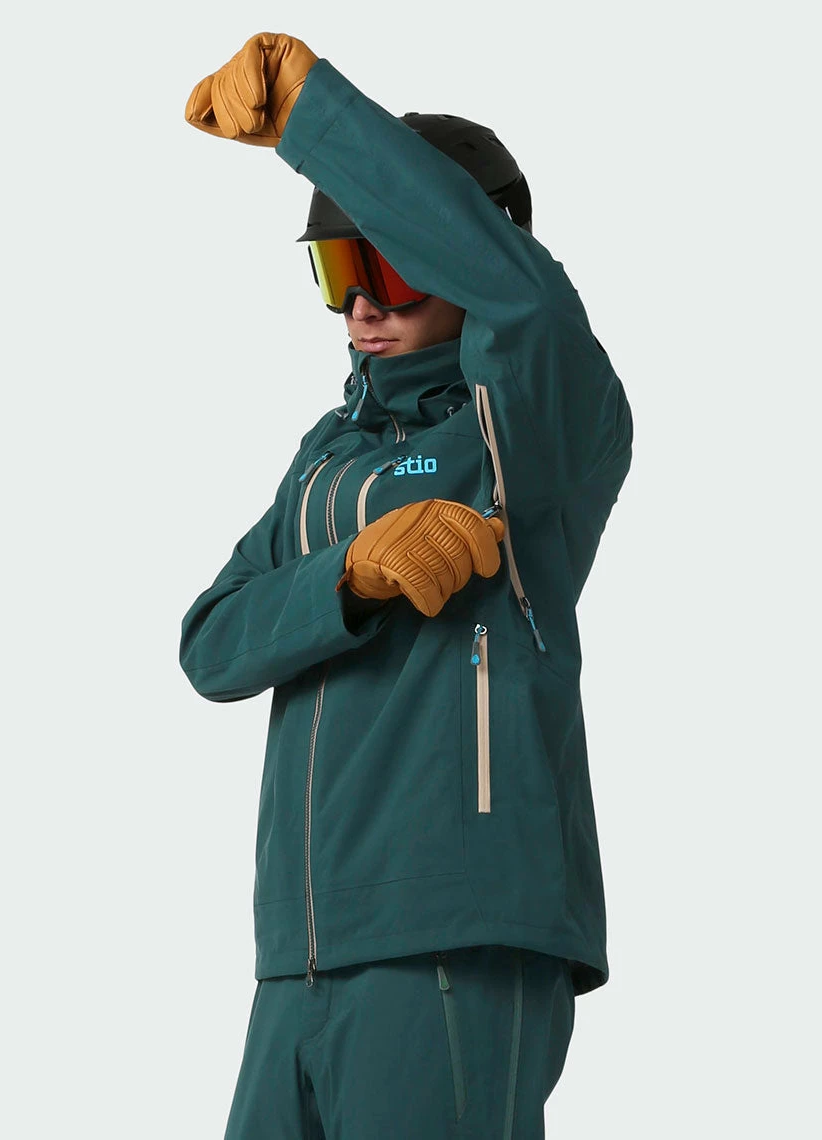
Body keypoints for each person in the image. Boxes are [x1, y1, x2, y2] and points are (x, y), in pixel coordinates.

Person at [179, 31, 633, 1140]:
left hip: (452, 935)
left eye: (391, 270)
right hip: (299, 954)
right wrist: (349, 575)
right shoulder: (329, 458)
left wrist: (312, 118)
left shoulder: (531, 425)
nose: (361, 310)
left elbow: (526, 310)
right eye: (338, 275)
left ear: (473, 257)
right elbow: (212, 643)